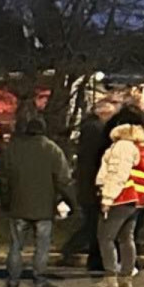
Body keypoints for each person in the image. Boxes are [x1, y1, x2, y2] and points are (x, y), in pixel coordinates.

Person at [0, 117, 76, 287]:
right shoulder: (52, 149)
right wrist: (71, 202)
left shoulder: (14, 149)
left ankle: (12, 282)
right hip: (44, 207)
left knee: (16, 246)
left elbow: (4, 179)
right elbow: (63, 180)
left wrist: (5, 202)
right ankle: (39, 282)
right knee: (42, 246)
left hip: (18, 204)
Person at [93, 112, 144, 287]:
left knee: (105, 237)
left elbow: (116, 174)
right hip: (134, 200)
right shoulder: (142, 147)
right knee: (126, 238)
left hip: (120, 198)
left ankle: (110, 277)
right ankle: (126, 277)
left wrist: (107, 198)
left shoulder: (122, 146)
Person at [59, 99, 119, 269]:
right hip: (91, 184)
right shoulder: (97, 130)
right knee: (93, 223)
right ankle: (71, 249)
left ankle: (85, 255)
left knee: (93, 222)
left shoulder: (89, 128)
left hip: (87, 183)